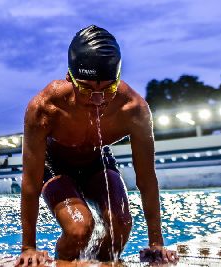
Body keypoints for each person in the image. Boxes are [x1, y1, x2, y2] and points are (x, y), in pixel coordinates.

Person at [16, 25, 178, 266]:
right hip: (56, 166)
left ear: (118, 79)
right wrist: (29, 247)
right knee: (79, 229)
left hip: (97, 161)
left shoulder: (133, 109)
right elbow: (30, 182)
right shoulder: (45, 108)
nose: (98, 100)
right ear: (69, 78)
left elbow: (146, 178)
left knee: (120, 226)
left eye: (108, 88)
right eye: (86, 88)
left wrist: (156, 242)